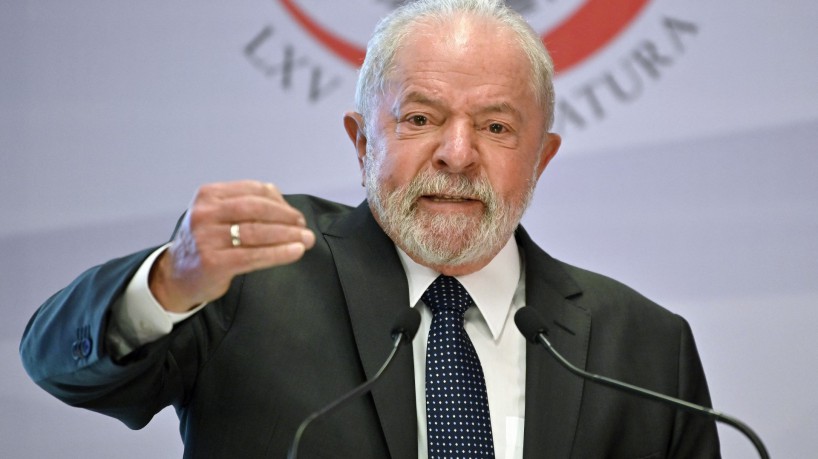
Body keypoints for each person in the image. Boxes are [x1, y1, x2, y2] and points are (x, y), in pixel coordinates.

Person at [20, 0, 720, 458]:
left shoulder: (647, 349)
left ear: (542, 158)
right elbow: (58, 365)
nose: (456, 154)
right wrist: (169, 284)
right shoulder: (254, 277)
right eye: (419, 119)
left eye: (496, 127)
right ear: (362, 144)